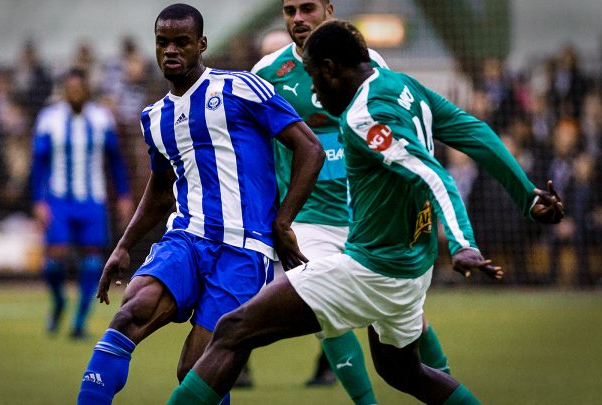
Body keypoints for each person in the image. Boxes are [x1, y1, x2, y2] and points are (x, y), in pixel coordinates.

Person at [168, 20, 564, 405]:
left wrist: (463, 244)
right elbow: (472, 130)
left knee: (234, 328)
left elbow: (434, 175)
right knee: (404, 372)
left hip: (372, 270)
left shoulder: (363, 117)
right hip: (411, 268)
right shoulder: (406, 87)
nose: (317, 98)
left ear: (330, 69)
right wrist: (527, 196)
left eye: (316, 80)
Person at [76, 4, 324, 404]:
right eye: (162, 43)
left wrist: (283, 223)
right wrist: (123, 245)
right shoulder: (154, 117)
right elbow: (160, 188)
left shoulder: (241, 88)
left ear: (201, 45)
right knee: (129, 314)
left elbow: (309, 148)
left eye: (181, 42)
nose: (170, 51)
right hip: (187, 239)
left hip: (244, 251)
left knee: (197, 372)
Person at [247, 0, 450, 397]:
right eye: (290, 11)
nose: (298, 18)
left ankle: (447, 385)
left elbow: (393, 137)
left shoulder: (370, 62)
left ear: (329, 9)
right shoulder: (267, 74)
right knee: (324, 316)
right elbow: (259, 152)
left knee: (406, 320)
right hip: (308, 220)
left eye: (308, 8)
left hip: (367, 218)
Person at [30, 68, 134, 339]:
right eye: (70, 88)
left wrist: (123, 195)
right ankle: (59, 302)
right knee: (54, 261)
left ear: (87, 90)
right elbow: (39, 164)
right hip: (59, 200)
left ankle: (78, 322)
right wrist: (38, 201)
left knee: (92, 262)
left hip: (93, 201)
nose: (75, 93)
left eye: (80, 88)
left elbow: (116, 161)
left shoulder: (101, 119)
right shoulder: (49, 119)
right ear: (64, 91)